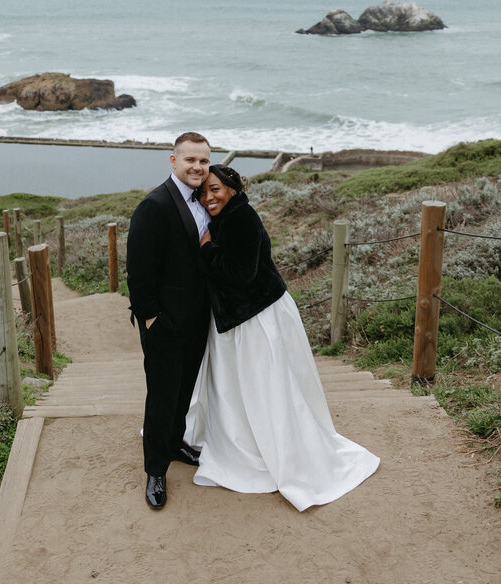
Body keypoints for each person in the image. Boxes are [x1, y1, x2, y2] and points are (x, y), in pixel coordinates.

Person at [184, 164, 379, 511]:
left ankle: (272, 449)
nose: (208, 197)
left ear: (232, 189)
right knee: (244, 387)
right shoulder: (228, 217)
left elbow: (241, 275)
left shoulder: (240, 219)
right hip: (242, 317)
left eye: (215, 189)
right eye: (203, 192)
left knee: (265, 386)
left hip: (257, 318)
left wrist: (206, 250)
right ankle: (248, 441)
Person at [126, 131, 214, 510]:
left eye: (204, 161)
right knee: (162, 395)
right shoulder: (155, 205)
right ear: (173, 160)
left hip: (197, 320)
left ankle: (175, 442)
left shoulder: (206, 201)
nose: (198, 167)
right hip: (162, 323)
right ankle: (156, 470)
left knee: (184, 390)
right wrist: (149, 320)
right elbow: (138, 269)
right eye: (191, 159)